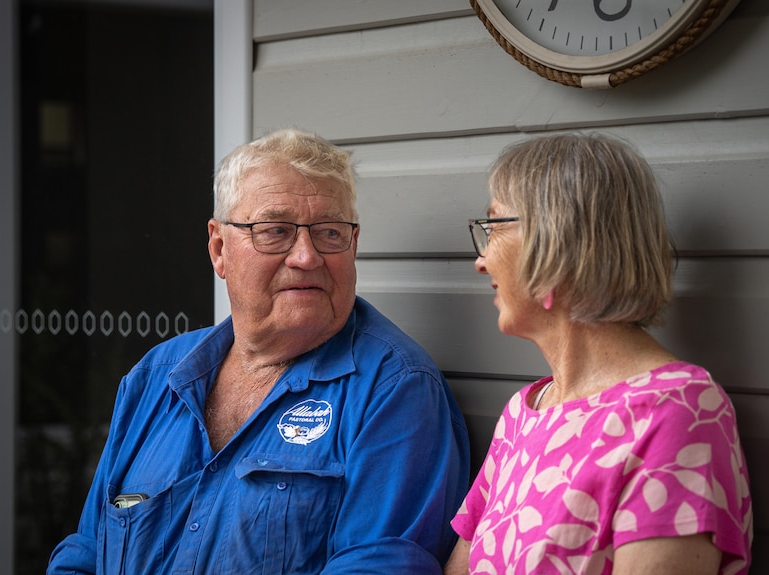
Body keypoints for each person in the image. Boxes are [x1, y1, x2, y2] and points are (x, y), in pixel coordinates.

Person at [47, 128, 470, 574]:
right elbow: (88, 551)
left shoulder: (393, 390)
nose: (306, 256)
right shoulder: (156, 377)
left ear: (354, 244)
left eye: (329, 232)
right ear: (219, 249)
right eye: (275, 231)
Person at [444, 133, 752, 575]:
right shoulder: (523, 414)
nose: (482, 259)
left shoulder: (675, 412)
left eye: (493, 227)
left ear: (556, 242)